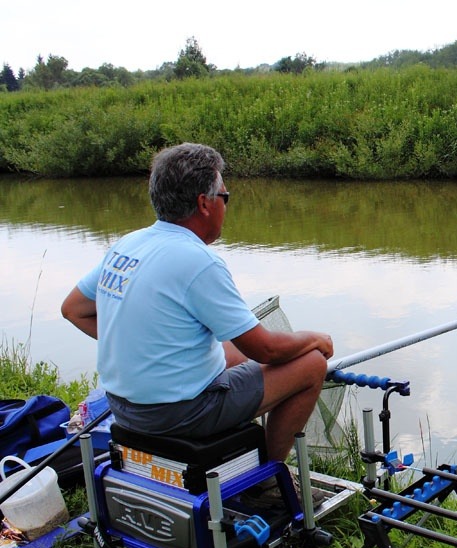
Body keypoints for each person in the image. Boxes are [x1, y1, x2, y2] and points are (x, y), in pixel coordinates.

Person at [61, 143, 334, 471]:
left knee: (231, 352)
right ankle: (269, 476)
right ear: (205, 203)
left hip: (124, 408)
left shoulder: (129, 244)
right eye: (225, 197)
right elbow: (267, 350)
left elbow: (74, 309)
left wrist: (145, 347)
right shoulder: (198, 261)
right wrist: (316, 339)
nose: (226, 206)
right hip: (179, 414)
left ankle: (247, 455)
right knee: (312, 365)